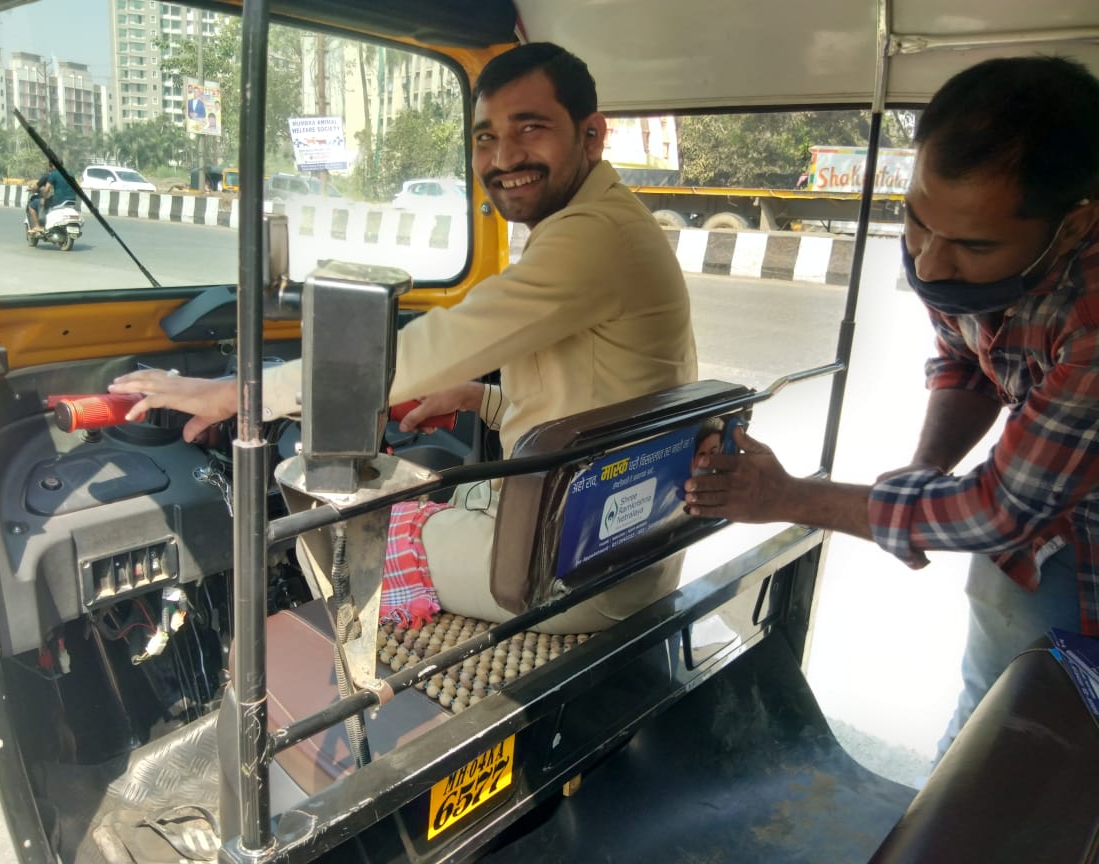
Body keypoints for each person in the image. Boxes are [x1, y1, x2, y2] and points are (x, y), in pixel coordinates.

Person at [110, 43, 698, 633]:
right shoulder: (604, 221)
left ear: (592, 135)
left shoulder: (593, 235)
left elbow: (435, 346)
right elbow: (591, 393)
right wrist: (478, 399)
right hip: (611, 535)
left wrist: (233, 395)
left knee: (344, 533)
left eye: (532, 127)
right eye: (485, 137)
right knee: (420, 502)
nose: (504, 156)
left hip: (577, 571)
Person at [684, 55, 1099, 762]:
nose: (930, 265)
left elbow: (997, 512)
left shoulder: (1091, 324)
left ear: (1071, 227)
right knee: (989, 720)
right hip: (1043, 538)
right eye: (914, 221)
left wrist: (788, 496)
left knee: (1051, 759)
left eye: (972, 245)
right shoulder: (968, 262)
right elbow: (967, 361)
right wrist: (923, 476)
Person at [27, 161, 76, 235]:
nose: (50, 169)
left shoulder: (53, 174)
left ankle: (38, 226)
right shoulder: (71, 173)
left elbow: (46, 189)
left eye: (50, 167)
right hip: (72, 200)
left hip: (59, 200)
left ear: (53, 166)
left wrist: (44, 198)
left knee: (34, 204)